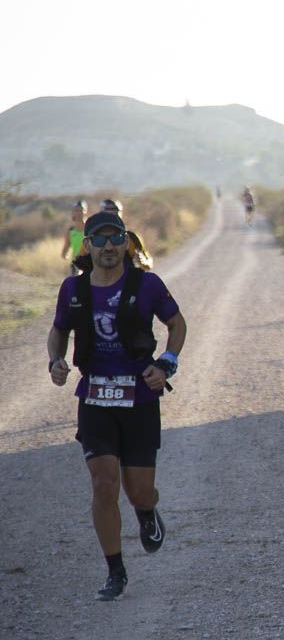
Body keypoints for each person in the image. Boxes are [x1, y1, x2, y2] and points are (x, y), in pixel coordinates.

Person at [47, 210, 187, 601]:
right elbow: (58, 330)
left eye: (116, 238)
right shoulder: (72, 290)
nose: (108, 247)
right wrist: (55, 361)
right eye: (100, 239)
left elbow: (177, 325)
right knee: (103, 483)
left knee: (139, 491)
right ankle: (115, 571)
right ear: (86, 245)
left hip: (140, 396)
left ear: (127, 242)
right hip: (95, 397)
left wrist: (166, 364)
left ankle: (146, 512)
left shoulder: (148, 285)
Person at [60, 199, 88, 275]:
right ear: (73, 212)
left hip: (89, 264)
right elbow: (66, 247)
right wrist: (65, 254)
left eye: (81, 210)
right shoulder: (71, 231)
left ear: (85, 211)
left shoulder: (90, 229)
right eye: (76, 210)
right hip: (76, 265)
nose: (79, 213)